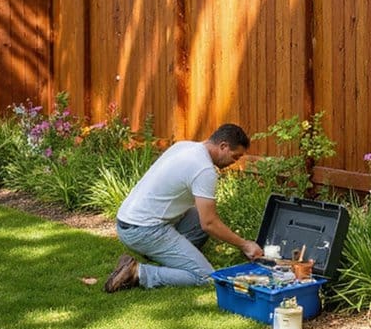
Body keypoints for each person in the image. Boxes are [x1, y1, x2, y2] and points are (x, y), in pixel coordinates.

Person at [104, 123, 264, 293]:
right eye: (235, 156)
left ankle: (168, 256)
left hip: (128, 222)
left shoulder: (185, 147)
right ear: (223, 146)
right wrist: (244, 245)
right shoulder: (204, 169)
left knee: (199, 218)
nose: (234, 162)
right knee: (205, 276)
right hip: (144, 230)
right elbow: (209, 223)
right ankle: (138, 272)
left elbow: (205, 219)